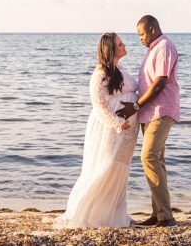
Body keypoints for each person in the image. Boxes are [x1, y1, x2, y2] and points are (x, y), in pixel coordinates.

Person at [54, 32, 140, 228]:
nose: (124, 45)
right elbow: (99, 104)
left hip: (126, 131)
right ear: (111, 49)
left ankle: (114, 214)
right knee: (106, 167)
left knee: (119, 171)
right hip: (110, 130)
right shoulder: (99, 74)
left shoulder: (119, 68)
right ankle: (88, 214)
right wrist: (117, 122)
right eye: (120, 43)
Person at [116, 14, 180, 227]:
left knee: (149, 157)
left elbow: (160, 82)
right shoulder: (154, 49)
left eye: (141, 34)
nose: (140, 39)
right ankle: (159, 214)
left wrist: (135, 106)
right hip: (150, 113)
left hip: (161, 111)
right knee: (157, 161)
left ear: (152, 29)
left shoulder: (163, 47)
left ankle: (167, 218)